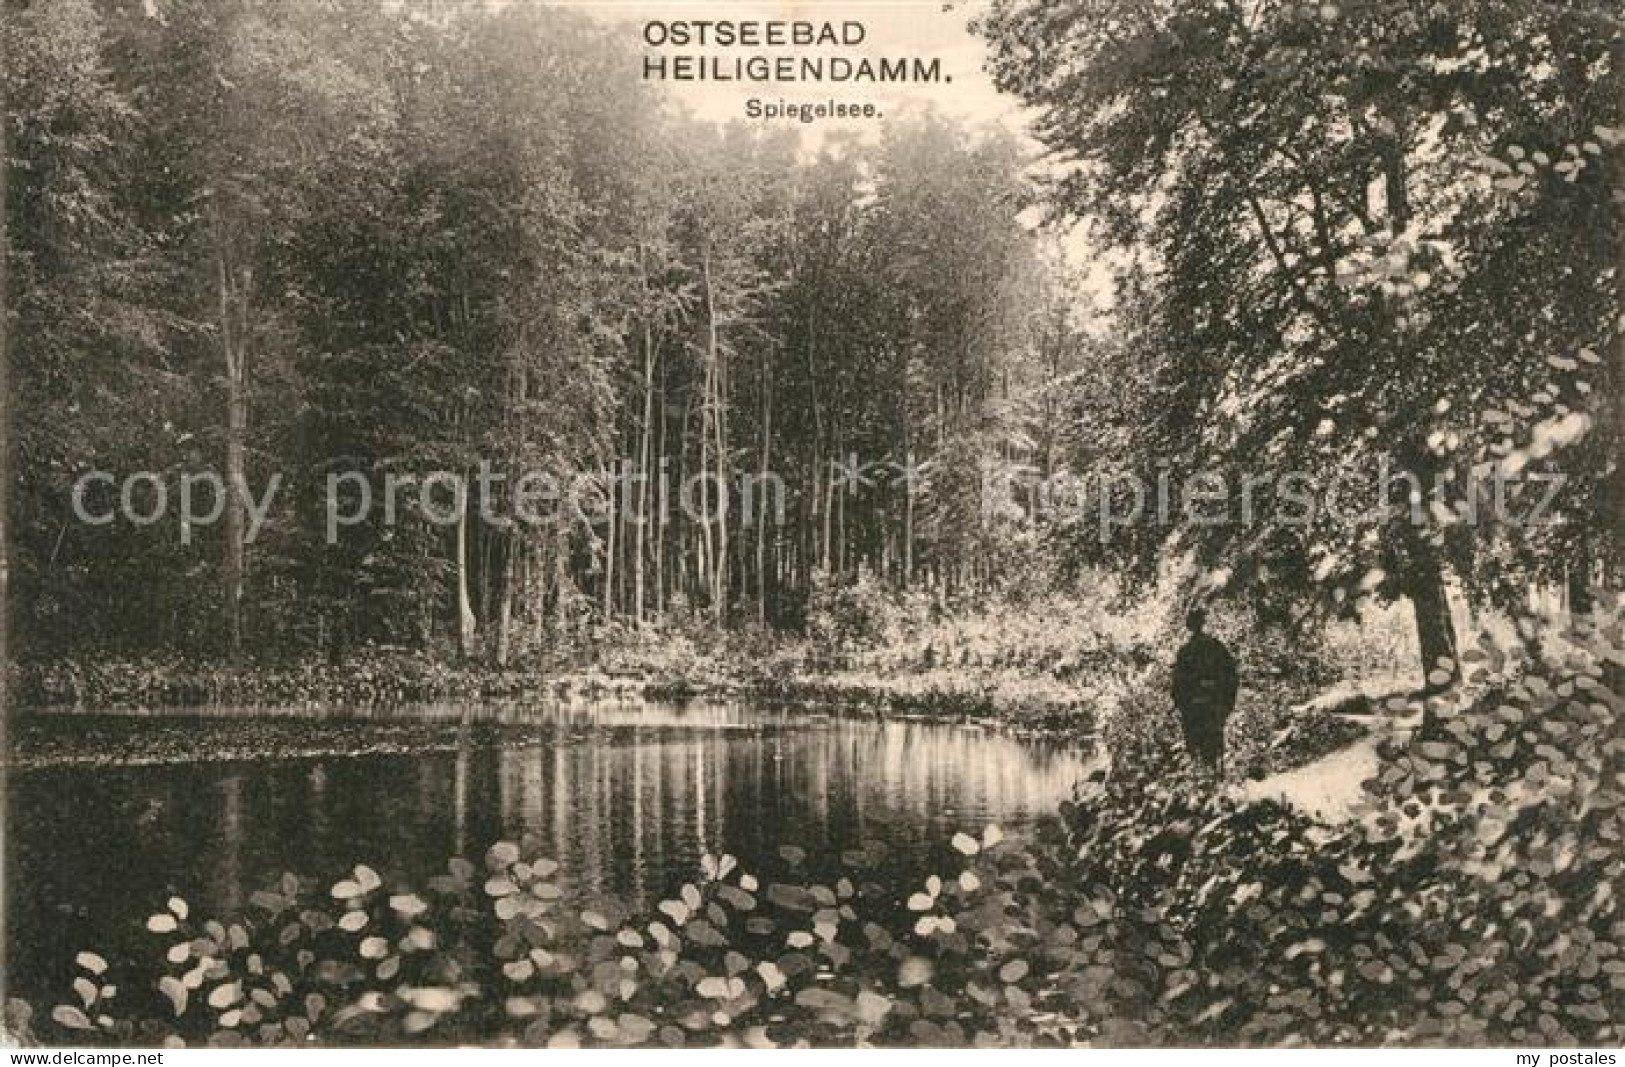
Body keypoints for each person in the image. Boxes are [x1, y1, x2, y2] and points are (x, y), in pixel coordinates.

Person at [1170, 607, 1239, 776]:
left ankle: (1205, 784)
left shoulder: (1186, 652)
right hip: (1211, 707)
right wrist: (1226, 704)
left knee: (1198, 750)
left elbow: (1177, 685)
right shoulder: (1215, 647)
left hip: (1197, 709)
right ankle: (1214, 781)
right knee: (1213, 749)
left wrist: (1183, 705)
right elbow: (1231, 677)